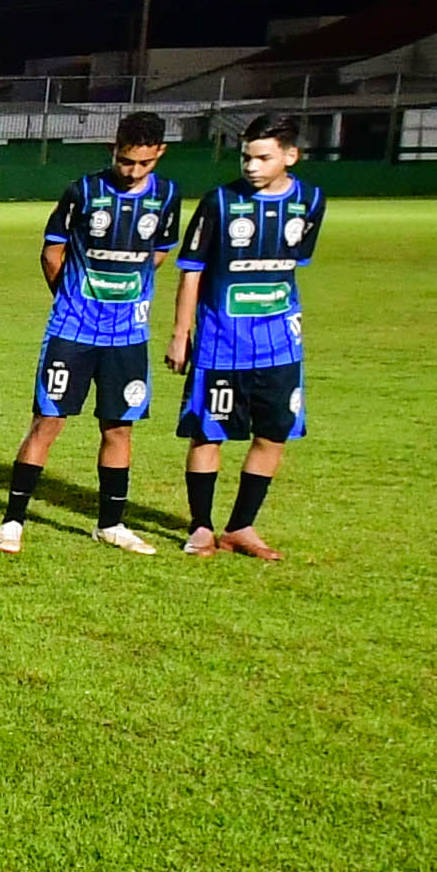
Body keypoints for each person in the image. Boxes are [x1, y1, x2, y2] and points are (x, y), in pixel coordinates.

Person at [0, 109, 182, 556]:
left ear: (160, 153)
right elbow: (52, 253)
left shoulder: (168, 195)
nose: (132, 171)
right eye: (125, 160)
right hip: (73, 330)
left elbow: (159, 252)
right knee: (48, 422)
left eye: (143, 163)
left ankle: (111, 525)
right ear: (112, 149)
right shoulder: (82, 191)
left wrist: (126, 295)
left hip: (128, 335)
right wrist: (72, 300)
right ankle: (13, 521)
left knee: (119, 427)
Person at [171, 113, 324, 559]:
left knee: (273, 435)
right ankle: (201, 527)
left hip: (280, 345)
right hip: (222, 343)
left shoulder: (311, 201)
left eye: (263, 158)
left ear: (290, 156)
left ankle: (241, 527)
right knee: (208, 434)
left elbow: (293, 264)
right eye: (246, 157)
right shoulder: (219, 202)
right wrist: (181, 334)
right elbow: (192, 272)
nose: (252, 166)